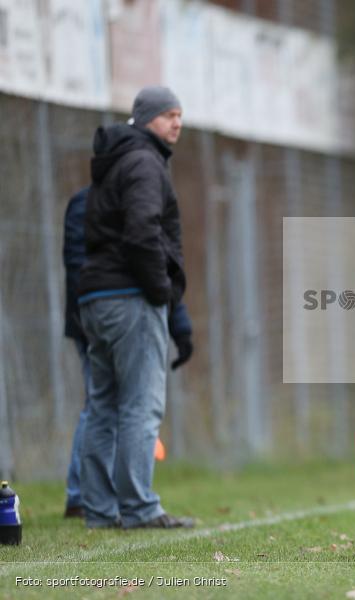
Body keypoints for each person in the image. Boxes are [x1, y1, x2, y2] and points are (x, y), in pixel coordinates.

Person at [78, 86, 194, 529]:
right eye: (168, 114)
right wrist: (160, 289)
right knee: (140, 406)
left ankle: (100, 511)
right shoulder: (144, 162)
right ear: (146, 119)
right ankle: (140, 509)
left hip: (96, 296)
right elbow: (143, 230)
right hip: (130, 295)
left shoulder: (115, 161)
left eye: (180, 115)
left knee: (102, 405)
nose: (177, 123)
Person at [62, 186, 193, 518]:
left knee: (106, 406)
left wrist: (180, 325)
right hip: (103, 315)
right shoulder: (93, 202)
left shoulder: (138, 197)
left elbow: (163, 269)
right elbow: (84, 264)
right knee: (122, 406)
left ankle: (98, 502)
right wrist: (85, 314)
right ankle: (104, 499)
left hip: (103, 312)